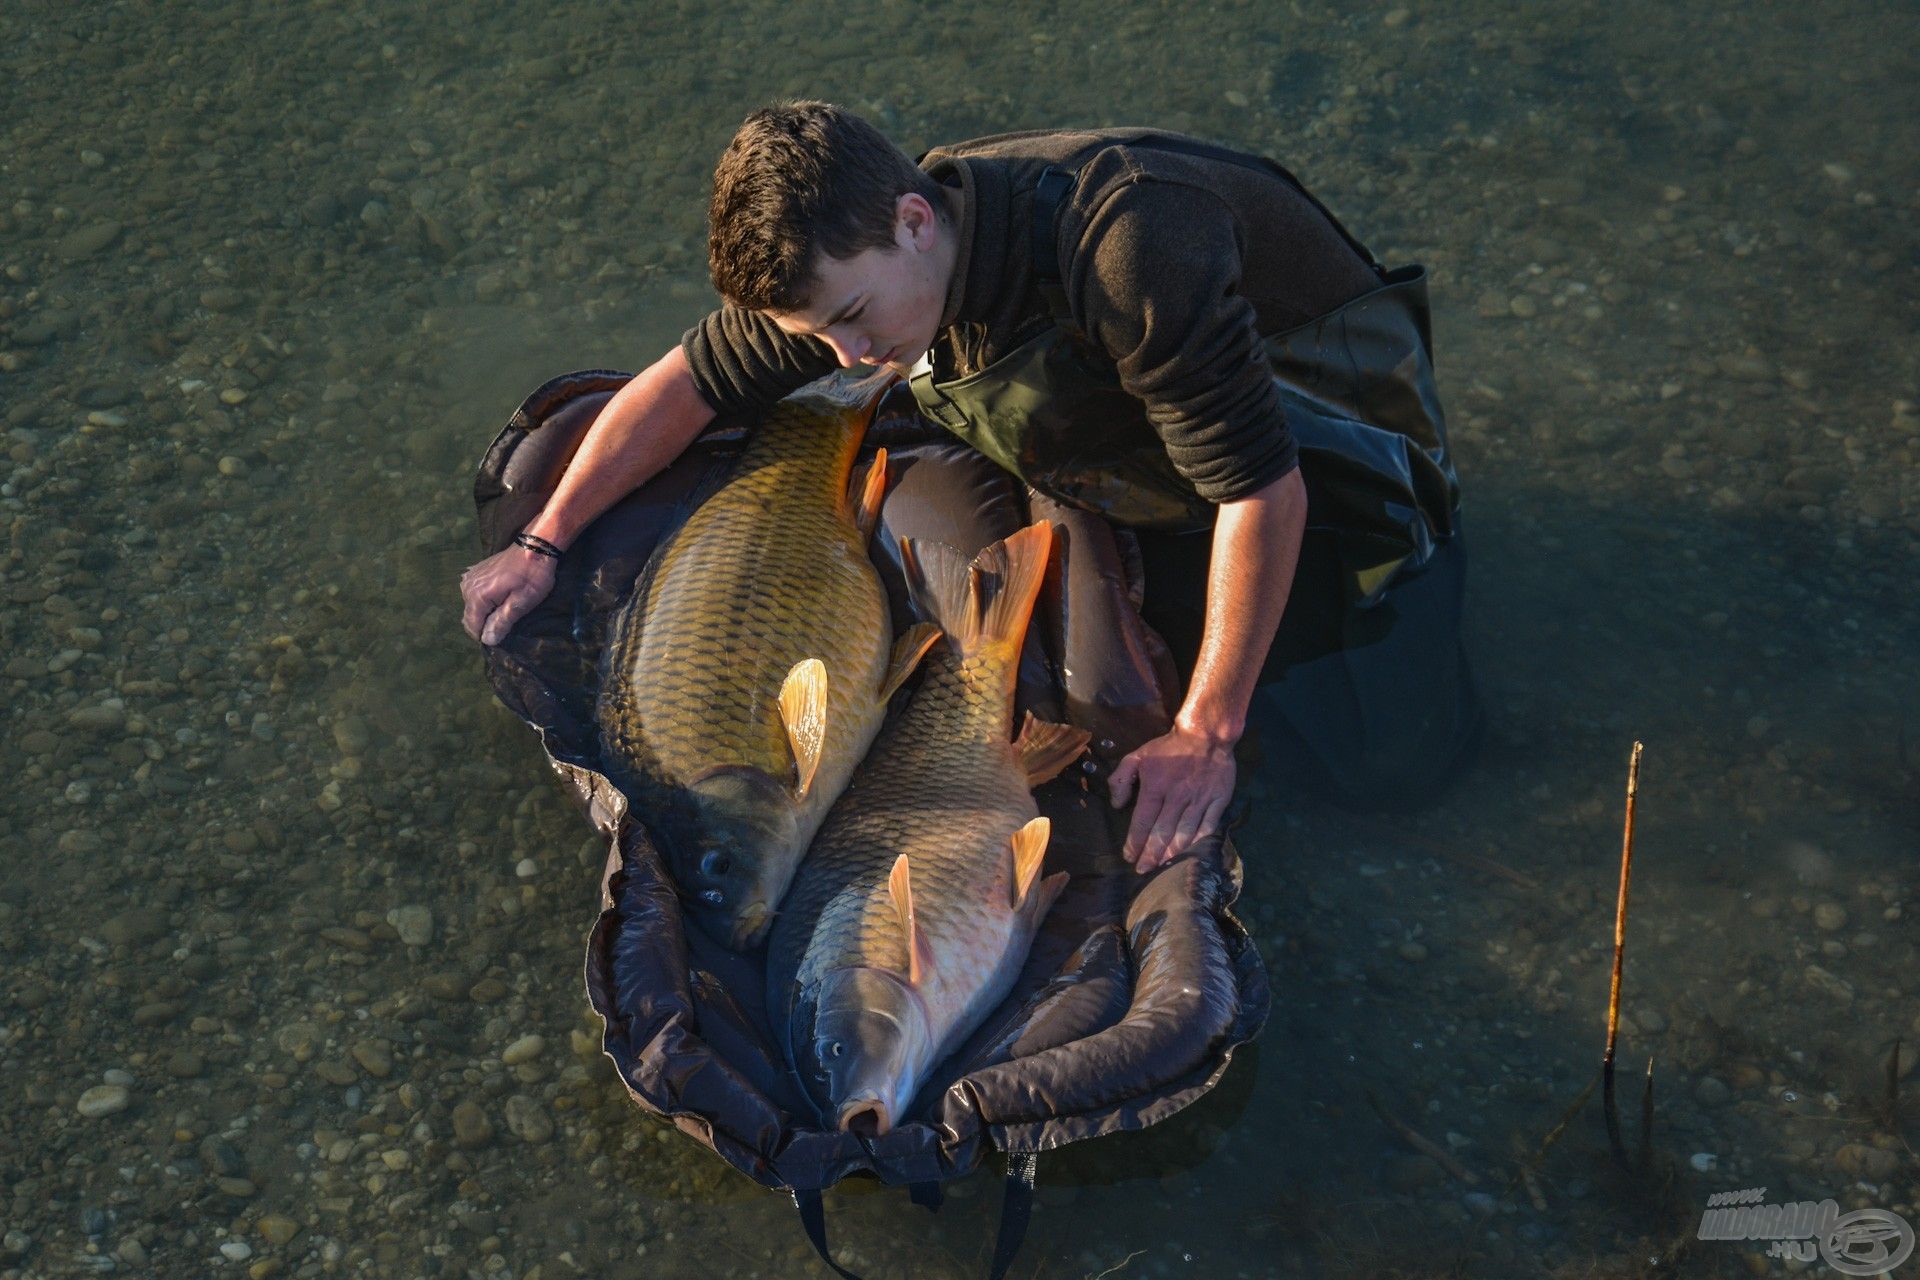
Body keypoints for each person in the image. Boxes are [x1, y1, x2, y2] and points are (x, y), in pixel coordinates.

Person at [462, 102, 1478, 875]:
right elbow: (686, 383)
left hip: (1326, 444)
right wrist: (545, 539)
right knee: (1073, 691)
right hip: (1111, 434)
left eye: (855, 317)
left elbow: (1263, 493)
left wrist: (1208, 732)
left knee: (1388, 773)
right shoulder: (862, 260)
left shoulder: (1129, 244)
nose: (849, 354)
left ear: (914, 219)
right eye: (817, 339)